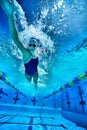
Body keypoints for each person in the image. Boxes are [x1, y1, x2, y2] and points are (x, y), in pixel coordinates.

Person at [0, 0, 39, 89]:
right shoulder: (26, 53)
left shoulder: (36, 52)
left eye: (34, 45)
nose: (33, 46)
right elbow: (15, 39)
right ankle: (31, 82)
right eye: (31, 45)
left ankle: (35, 84)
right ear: (28, 47)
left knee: (35, 80)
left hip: (36, 72)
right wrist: (10, 16)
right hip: (28, 74)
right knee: (29, 80)